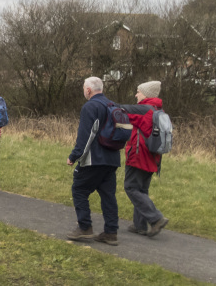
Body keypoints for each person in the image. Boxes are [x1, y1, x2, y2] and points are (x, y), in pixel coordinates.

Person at [66, 76, 121, 246]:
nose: (84, 90)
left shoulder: (90, 106)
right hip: (112, 158)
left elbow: (86, 135)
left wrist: (74, 156)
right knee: (108, 195)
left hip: (93, 158)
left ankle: (85, 227)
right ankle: (111, 232)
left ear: (88, 90)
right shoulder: (113, 105)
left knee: (79, 189)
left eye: (84, 88)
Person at [120, 81, 170, 237]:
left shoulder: (144, 109)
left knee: (131, 188)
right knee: (141, 190)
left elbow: (121, 109)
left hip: (138, 157)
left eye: (138, 92)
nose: (136, 94)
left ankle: (156, 219)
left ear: (146, 94)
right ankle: (140, 225)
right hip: (152, 158)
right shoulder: (157, 110)